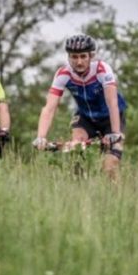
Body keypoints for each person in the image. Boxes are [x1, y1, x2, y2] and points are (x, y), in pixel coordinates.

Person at [33, 34, 126, 179]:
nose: (79, 61)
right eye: (74, 57)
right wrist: (41, 137)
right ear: (68, 57)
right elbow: (49, 108)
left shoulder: (102, 69)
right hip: (85, 116)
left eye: (83, 56)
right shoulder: (63, 74)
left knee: (110, 166)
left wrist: (114, 133)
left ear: (91, 56)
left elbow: (112, 103)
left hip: (111, 117)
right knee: (76, 151)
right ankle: (80, 185)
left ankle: (117, 197)